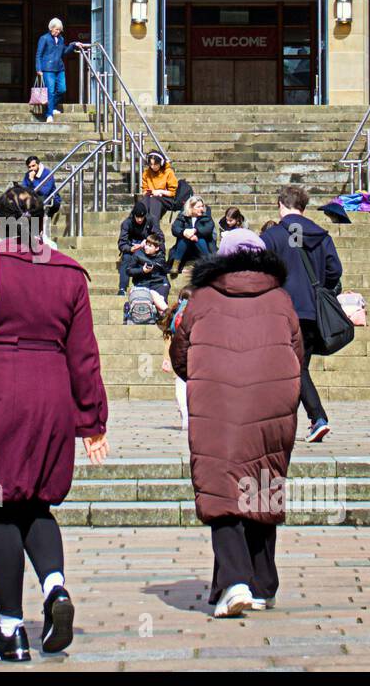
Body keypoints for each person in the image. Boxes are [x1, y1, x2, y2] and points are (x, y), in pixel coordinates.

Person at [0, 187, 109, 662]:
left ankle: (11, 629)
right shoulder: (70, 272)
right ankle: (55, 588)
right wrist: (93, 419)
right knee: (36, 500)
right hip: (53, 391)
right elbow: (85, 354)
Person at [170, 228, 301, 617]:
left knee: (221, 484)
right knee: (263, 478)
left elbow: (180, 352)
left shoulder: (202, 298)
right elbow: (297, 349)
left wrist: (198, 373)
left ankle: (235, 581)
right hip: (272, 400)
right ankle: (263, 583)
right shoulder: (280, 298)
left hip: (219, 400)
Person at [261, 186, 342, 444]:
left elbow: (260, 271)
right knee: (296, 366)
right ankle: (285, 422)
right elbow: (334, 271)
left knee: (293, 368)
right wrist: (318, 288)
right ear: (303, 207)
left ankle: (317, 417)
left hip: (280, 310)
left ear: (280, 205)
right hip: (310, 310)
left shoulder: (272, 236)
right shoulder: (321, 235)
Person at [157, 286, 193, 433]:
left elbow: (168, 337)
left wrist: (166, 359)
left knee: (181, 386)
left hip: (179, 357)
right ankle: (189, 414)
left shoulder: (175, 314)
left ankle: (185, 413)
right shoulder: (198, 314)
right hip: (196, 357)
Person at [34, 18, 82, 123]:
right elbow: (39, 54)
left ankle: (53, 107)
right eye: (56, 29)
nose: (58, 31)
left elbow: (64, 52)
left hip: (60, 68)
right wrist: (38, 68)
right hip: (47, 69)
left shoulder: (61, 39)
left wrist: (73, 45)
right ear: (51, 28)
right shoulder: (44, 38)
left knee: (62, 89)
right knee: (50, 91)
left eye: (59, 30)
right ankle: (49, 114)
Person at [117, 201, 160, 296]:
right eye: (137, 217)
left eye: (142, 217)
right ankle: (122, 288)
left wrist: (149, 241)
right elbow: (121, 243)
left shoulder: (151, 220)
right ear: (134, 215)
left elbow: (159, 236)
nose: (140, 219)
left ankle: (155, 283)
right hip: (131, 247)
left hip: (147, 247)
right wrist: (130, 249)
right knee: (126, 257)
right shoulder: (127, 223)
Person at [169, 195, 216, 275]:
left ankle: (209, 263)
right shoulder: (183, 215)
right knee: (184, 239)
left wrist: (194, 231)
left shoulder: (206, 215)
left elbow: (208, 229)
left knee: (199, 239)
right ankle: (175, 265)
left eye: (202, 206)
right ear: (190, 208)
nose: (201, 209)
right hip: (186, 248)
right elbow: (175, 228)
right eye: (198, 207)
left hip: (203, 247)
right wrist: (184, 232)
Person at [123, 232, 171, 304]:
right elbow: (128, 271)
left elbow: (162, 267)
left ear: (157, 248)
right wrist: (142, 270)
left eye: (150, 246)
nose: (146, 247)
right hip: (142, 283)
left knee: (161, 303)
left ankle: (165, 312)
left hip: (159, 283)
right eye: (146, 245)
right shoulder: (138, 254)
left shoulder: (160, 256)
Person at [21, 156, 62, 234]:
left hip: (51, 201)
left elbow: (44, 192)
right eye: (29, 167)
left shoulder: (47, 173)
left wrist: (33, 180)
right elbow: (24, 188)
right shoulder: (28, 175)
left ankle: (38, 233)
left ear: (38, 165)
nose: (31, 169)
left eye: (33, 166)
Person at [140, 151, 181, 225]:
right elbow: (144, 189)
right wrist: (149, 193)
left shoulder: (168, 172)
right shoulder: (146, 173)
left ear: (161, 163)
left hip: (166, 198)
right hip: (151, 197)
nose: (153, 167)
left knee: (154, 200)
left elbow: (172, 192)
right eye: (151, 164)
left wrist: (160, 192)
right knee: (144, 201)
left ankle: (154, 228)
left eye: (155, 164)